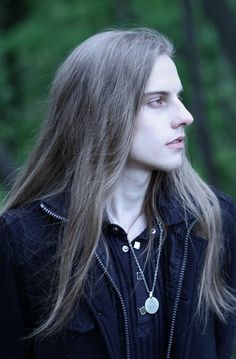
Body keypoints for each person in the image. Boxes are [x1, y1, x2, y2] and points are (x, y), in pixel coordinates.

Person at [0, 28, 235, 359]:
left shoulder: (214, 223)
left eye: (178, 97)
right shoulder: (23, 239)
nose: (185, 116)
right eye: (158, 101)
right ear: (104, 112)